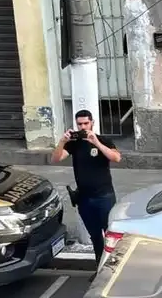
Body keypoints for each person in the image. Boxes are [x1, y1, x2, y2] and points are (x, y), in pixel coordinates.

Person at [50, 109, 122, 264]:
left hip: (104, 197)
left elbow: (116, 158)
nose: (83, 127)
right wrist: (62, 141)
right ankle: (99, 265)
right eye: (79, 124)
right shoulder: (74, 144)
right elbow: (55, 159)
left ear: (92, 123)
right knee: (95, 236)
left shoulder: (103, 140)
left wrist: (96, 143)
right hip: (85, 199)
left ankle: (112, 266)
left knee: (110, 235)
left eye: (86, 123)